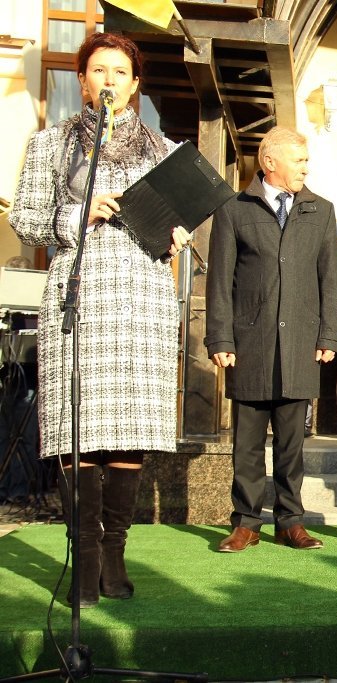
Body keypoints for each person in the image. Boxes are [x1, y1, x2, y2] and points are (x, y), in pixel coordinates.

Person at [9, 33, 191, 606]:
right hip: (79, 294)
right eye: (98, 70)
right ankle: (84, 557)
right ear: (83, 81)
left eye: (119, 71)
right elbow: (26, 221)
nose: (109, 80)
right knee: (79, 428)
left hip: (141, 299)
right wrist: (79, 212)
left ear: (135, 84)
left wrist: (178, 235)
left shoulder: (164, 151)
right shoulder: (52, 144)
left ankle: (115, 554)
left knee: (130, 429)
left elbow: (179, 221)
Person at [205, 126, 337, 553]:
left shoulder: (321, 210)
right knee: (246, 444)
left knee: (291, 446)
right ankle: (246, 523)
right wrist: (220, 338)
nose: (305, 168)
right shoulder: (234, 209)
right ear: (270, 162)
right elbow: (220, 281)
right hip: (250, 344)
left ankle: (290, 522)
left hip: (301, 343)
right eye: (298, 160)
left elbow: (330, 279)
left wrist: (329, 334)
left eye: (306, 160)